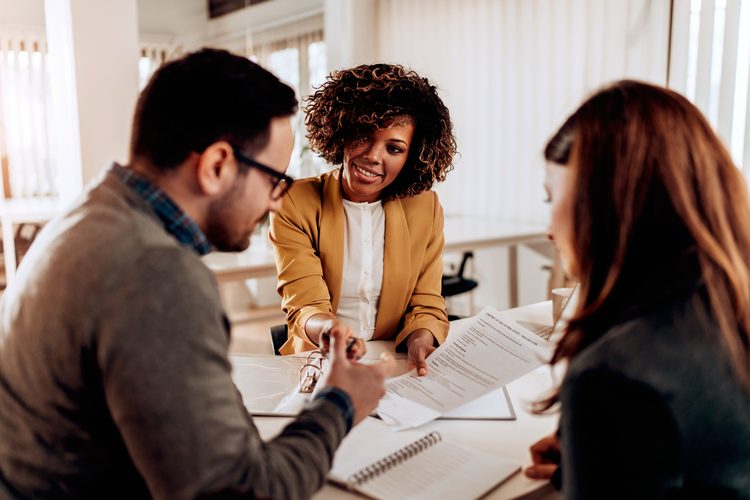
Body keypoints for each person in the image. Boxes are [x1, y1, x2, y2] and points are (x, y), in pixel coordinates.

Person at [0, 48, 392, 500]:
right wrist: (339, 404)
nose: (277, 202)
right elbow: (238, 493)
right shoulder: (155, 274)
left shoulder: (88, 216)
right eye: (273, 180)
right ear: (217, 166)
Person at [524, 80, 750, 498]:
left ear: (606, 204)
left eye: (551, 198)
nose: (549, 230)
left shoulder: (614, 376)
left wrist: (604, 439)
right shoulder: (730, 302)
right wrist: (601, 461)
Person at [270, 64, 457, 375]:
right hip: (321, 361)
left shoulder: (425, 207)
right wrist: (332, 333)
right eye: (363, 135)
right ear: (342, 131)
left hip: (396, 364)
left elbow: (426, 302)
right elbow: (305, 306)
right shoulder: (294, 202)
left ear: (412, 157)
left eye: (394, 148)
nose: (373, 156)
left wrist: (422, 335)